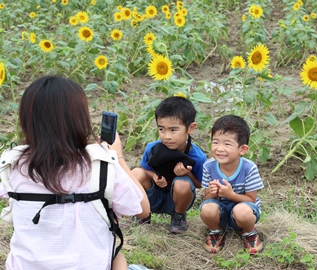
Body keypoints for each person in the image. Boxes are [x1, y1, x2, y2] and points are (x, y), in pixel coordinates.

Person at [0, 75, 150, 270]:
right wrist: (117, 157)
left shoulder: (12, 164)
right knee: (122, 261)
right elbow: (143, 209)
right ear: (80, 119)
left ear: (27, 120)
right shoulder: (101, 164)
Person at [132, 95, 207, 234]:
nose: (166, 136)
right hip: (153, 196)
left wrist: (187, 174)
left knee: (182, 183)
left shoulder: (198, 156)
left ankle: (178, 217)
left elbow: (200, 184)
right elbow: (144, 168)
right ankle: (142, 213)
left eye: (173, 130)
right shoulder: (153, 148)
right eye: (161, 129)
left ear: (190, 128)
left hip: (177, 200)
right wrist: (154, 176)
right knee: (136, 173)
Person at [199, 115, 264, 254]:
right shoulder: (209, 166)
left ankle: (248, 232)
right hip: (221, 211)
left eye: (227, 144)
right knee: (207, 208)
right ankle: (216, 231)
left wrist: (231, 195)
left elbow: (251, 200)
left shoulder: (249, 168)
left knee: (243, 212)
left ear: (242, 149)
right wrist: (214, 193)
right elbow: (208, 199)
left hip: (244, 211)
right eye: (215, 142)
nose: (219, 149)